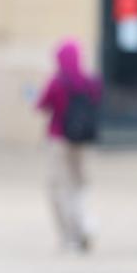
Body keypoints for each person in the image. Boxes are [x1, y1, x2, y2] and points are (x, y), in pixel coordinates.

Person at [35, 39, 102, 252]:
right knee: (80, 185)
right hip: (82, 141)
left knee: (58, 187)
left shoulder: (58, 82)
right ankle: (84, 225)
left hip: (59, 140)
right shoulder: (90, 82)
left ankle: (69, 235)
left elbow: (42, 105)